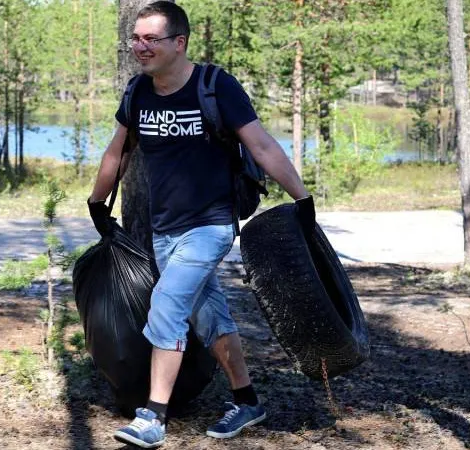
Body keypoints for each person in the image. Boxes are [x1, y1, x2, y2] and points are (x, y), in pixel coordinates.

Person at [87, 2, 315, 448]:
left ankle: (152, 417)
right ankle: (247, 399)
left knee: (167, 306)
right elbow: (118, 152)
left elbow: (263, 146)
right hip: (164, 229)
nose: (140, 47)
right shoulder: (138, 93)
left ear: (179, 42)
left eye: (151, 39)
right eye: (136, 38)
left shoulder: (215, 86)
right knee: (209, 314)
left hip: (210, 226)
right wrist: (97, 201)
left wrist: (302, 198)